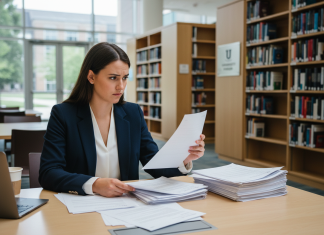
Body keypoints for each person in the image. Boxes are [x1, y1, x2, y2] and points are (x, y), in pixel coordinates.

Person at [39, 42, 205, 197]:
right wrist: (94, 184)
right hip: (80, 206)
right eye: (113, 78)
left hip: (126, 204)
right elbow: (49, 172)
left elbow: (154, 163)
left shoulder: (133, 113)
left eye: (125, 77)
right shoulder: (63, 114)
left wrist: (184, 159)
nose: (121, 86)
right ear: (91, 77)